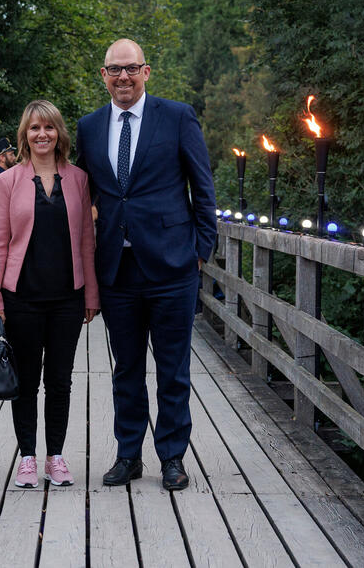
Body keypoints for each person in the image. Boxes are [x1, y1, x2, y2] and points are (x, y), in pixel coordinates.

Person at [76, 38, 217, 491]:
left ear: (146, 72)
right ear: (103, 76)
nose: (123, 77)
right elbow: (81, 195)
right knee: (127, 370)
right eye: (114, 70)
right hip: (117, 270)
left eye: (131, 68)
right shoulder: (90, 127)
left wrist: (202, 249)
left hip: (174, 266)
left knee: (174, 369)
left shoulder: (177, 116)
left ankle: (172, 457)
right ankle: (128, 455)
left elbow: (203, 186)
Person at [0, 100, 99, 489]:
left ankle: (56, 457)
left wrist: (91, 296)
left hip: (68, 297)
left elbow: (86, 239)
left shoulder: (79, 180)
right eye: (34, 128)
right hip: (22, 298)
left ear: (59, 133)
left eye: (48, 127)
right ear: (25, 136)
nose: (42, 134)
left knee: (60, 381)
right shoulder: (8, 181)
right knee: (27, 381)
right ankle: (27, 458)